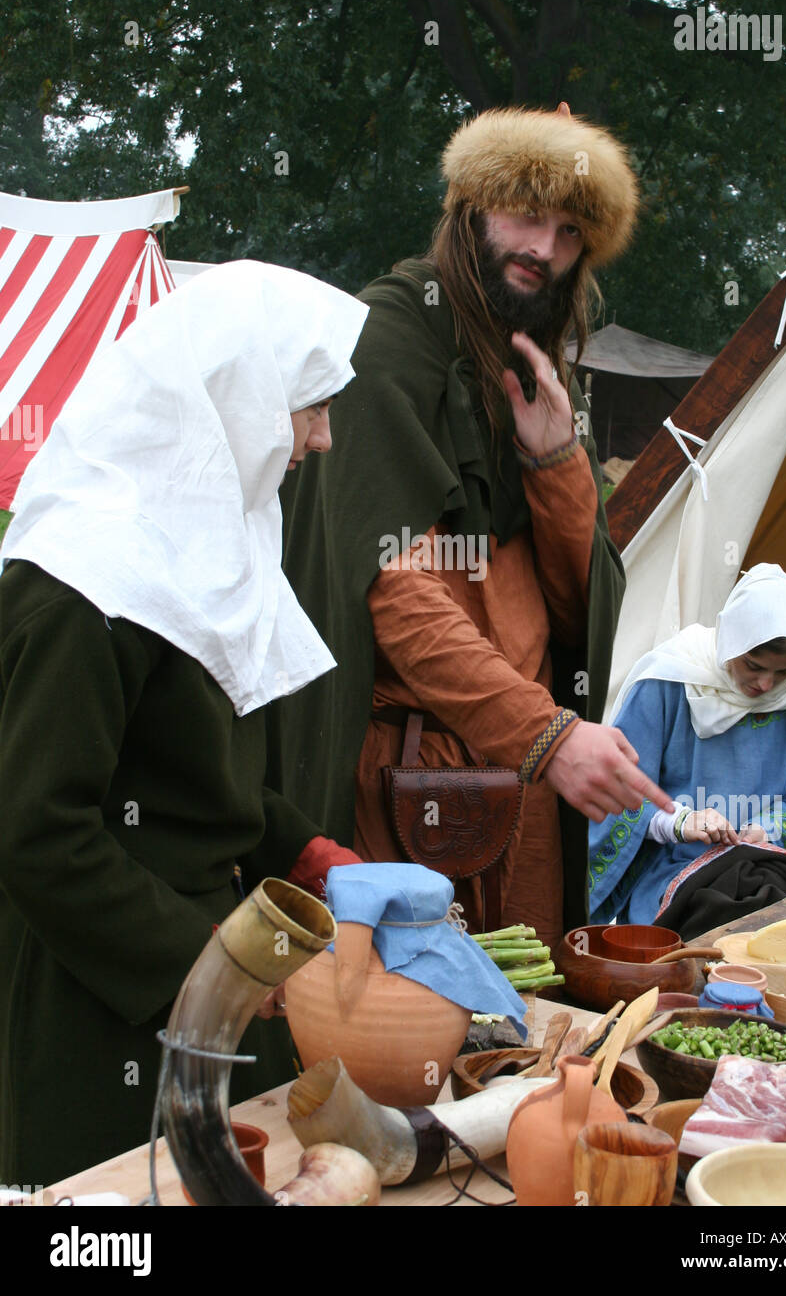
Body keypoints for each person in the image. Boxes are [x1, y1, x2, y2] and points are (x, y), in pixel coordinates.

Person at [0, 261, 367, 1185]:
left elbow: (203, 778)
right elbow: (39, 833)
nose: (323, 440)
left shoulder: (208, 549)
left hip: (212, 964)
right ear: (236, 399)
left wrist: (309, 850)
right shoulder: (82, 581)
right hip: (101, 989)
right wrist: (215, 970)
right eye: (310, 407)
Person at [275, 105, 673, 946]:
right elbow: (390, 590)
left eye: (570, 230)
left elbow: (573, 616)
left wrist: (558, 462)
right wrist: (545, 735)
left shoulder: (527, 370)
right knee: (406, 1033)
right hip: (405, 777)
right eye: (526, 213)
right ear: (469, 209)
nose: (545, 247)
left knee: (522, 1043)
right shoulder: (384, 341)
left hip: (522, 782)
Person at [588, 564, 786, 931]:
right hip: (676, 865)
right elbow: (615, 789)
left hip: (776, 861)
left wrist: (769, 827)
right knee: (715, 920)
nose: (765, 684)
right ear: (730, 640)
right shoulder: (669, 680)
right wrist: (678, 821)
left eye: (783, 672)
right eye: (753, 665)